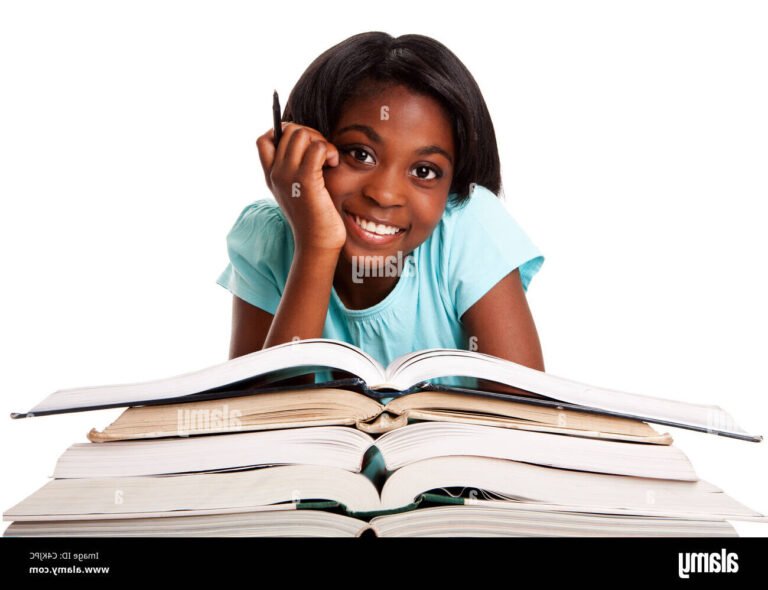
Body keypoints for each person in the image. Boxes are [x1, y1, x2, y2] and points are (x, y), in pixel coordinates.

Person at [216, 31, 545, 398]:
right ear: (305, 148)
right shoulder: (266, 238)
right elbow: (258, 425)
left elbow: (526, 420)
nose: (385, 194)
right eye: (360, 154)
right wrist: (317, 244)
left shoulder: (470, 227)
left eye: (424, 171)